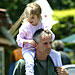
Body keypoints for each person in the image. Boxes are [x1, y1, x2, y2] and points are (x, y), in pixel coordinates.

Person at [16, 2, 55, 75]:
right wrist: (28, 42)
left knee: (56, 55)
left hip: (40, 50)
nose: (29, 19)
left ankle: (60, 68)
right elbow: (18, 40)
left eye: (32, 17)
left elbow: (52, 38)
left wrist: (49, 32)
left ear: (39, 16)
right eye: (27, 17)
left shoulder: (42, 24)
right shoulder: (25, 27)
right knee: (29, 62)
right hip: (29, 49)